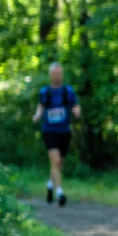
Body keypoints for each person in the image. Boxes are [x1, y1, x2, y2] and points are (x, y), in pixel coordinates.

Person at [32, 62, 81, 207]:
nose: (57, 76)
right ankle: (59, 192)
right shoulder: (45, 92)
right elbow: (40, 107)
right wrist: (36, 116)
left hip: (64, 131)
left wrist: (77, 111)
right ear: (50, 75)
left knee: (59, 163)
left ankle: (50, 185)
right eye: (54, 74)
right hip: (49, 131)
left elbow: (75, 105)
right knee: (55, 160)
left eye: (59, 73)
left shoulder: (68, 91)